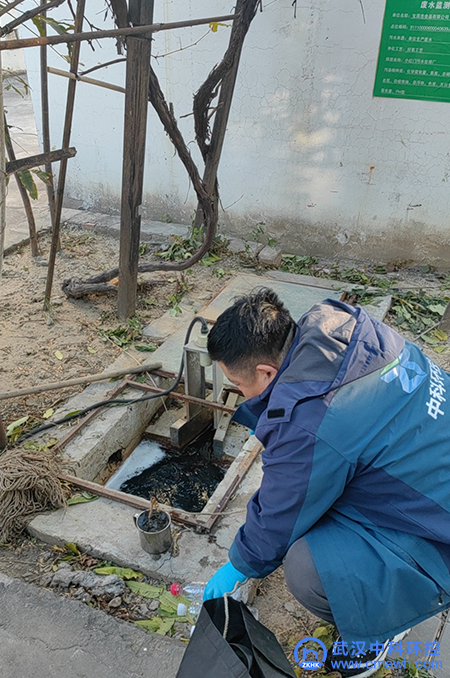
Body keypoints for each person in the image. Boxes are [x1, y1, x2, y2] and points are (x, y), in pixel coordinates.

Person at [202, 288, 450, 677]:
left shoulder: (310, 423)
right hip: (427, 470)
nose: (238, 392)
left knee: (306, 566)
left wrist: (239, 564)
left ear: (266, 373)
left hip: (440, 531)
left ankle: (377, 631)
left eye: (237, 383)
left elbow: (280, 514)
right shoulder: (338, 322)